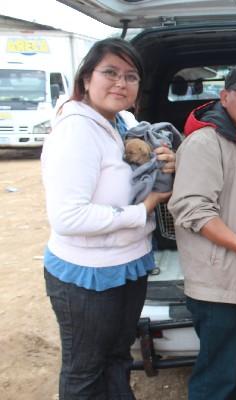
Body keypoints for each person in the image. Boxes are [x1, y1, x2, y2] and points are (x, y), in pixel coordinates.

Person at [41, 38, 174, 399]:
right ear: (86, 78)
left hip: (128, 264)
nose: (121, 83)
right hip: (86, 275)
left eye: (130, 76)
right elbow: (69, 217)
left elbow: (137, 171)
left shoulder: (123, 123)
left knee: (118, 357)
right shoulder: (76, 131)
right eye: (110, 73)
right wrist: (146, 208)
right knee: (85, 369)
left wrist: (165, 165)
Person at [168, 63, 236, 400]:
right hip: (218, 284)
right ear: (224, 97)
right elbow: (192, 208)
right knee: (216, 381)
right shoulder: (205, 142)